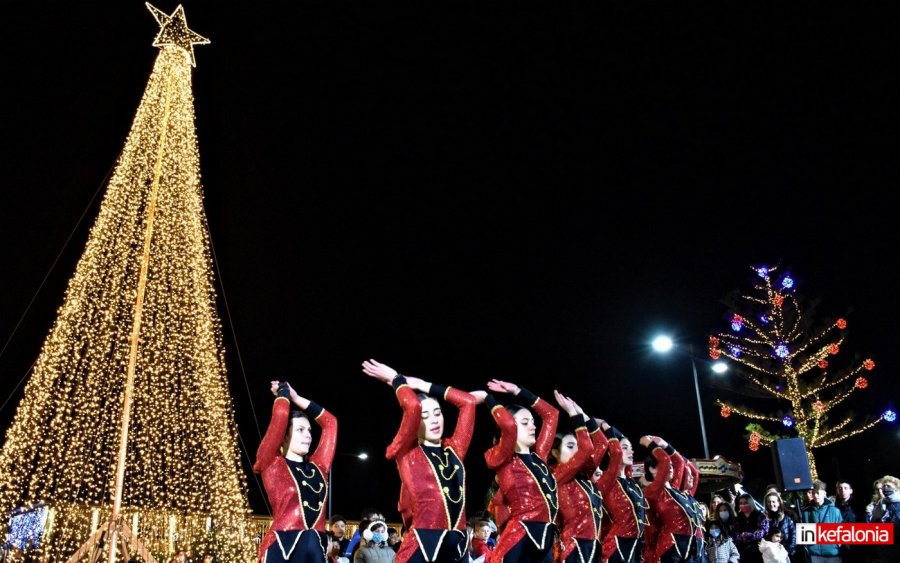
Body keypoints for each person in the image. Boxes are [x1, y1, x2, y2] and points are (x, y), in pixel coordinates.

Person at [362, 359, 481, 563]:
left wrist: (424, 384)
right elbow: (413, 406)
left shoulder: (455, 449)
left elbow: (468, 402)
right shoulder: (407, 452)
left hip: (457, 544)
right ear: (415, 422)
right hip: (423, 544)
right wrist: (396, 379)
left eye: (437, 413)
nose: (434, 420)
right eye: (425, 416)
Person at [254, 381, 337, 562]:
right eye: (300, 430)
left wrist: (297, 398)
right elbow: (282, 414)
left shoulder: (319, 466)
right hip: (282, 549)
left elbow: (331, 423)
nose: (308, 435)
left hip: (315, 549)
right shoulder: (272, 463)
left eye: (309, 430)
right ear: (283, 436)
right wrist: (283, 394)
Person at [481, 379, 559, 563]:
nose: (533, 426)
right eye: (525, 422)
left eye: (532, 422)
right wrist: (488, 399)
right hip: (520, 536)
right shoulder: (501, 457)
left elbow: (551, 414)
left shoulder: (540, 455)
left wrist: (518, 391)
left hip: (546, 537)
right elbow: (508, 426)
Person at [547, 391, 608, 563]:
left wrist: (583, 415)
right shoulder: (558, 475)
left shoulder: (584, 473)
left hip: (593, 545)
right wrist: (573, 415)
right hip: (573, 546)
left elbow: (602, 444)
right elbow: (587, 448)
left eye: (576, 446)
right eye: (570, 446)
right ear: (555, 452)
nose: (576, 451)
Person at [640, 435, 704, 562]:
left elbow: (685, 467)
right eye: (666, 465)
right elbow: (665, 460)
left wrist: (667, 446)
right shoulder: (653, 490)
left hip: (689, 547)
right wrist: (648, 443)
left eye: (671, 465)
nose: (670, 467)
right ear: (652, 469)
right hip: (669, 547)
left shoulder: (675, 490)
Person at [596, 421, 648, 563]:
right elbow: (616, 453)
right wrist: (606, 427)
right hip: (616, 548)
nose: (631, 451)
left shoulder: (632, 483)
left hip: (636, 547)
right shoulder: (608, 481)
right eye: (625, 448)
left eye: (631, 448)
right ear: (613, 450)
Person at [799, 480, 842, 563]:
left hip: (832, 553)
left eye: (818, 493)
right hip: (815, 554)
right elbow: (805, 536)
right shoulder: (806, 512)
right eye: (813, 493)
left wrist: (836, 545)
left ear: (824, 493)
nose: (815, 495)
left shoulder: (835, 511)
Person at [733, 492, 768, 563]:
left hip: (758, 552)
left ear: (751, 503)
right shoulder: (738, 518)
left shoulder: (760, 516)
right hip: (742, 553)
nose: (743, 505)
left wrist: (746, 535)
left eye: (745, 502)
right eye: (741, 503)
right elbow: (735, 535)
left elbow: (763, 532)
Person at [762, 492, 796, 562]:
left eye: (773, 502)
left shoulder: (788, 517)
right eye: (769, 502)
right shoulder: (764, 519)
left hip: (786, 555)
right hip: (770, 557)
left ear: (779, 503)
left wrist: (785, 553)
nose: (771, 504)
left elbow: (794, 537)